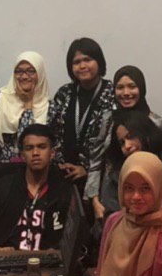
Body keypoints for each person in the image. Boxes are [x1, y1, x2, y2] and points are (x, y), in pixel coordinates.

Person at [0, 124, 77, 252]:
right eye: (29, 148)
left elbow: (76, 234)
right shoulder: (2, 187)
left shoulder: (64, 191)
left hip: (47, 261)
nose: (35, 153)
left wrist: (59, 251)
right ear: (22, 155)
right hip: (6, 260)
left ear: (52, 153)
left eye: (42, 147)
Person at [48, 38, 116, 200]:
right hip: (63, 175)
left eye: (88, 59)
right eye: (77, 62)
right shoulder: (64, 93)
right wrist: (61, 165)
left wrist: (86, 169)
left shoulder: (112, 93)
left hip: (98, 181)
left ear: (99, 62)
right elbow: (52, 132)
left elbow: (112, 141)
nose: (82, 66)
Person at [96, 110, 162, 227]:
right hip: (128, 232)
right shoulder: (118, 173)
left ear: (145, 133)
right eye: (122, 142)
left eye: (131, 137)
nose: (127, 146)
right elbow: (112, 216)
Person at [0, 52, 50, 167]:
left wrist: (28, 105)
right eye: (19, 71)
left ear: (40, 73)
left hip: (36, 172)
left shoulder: (49, 107)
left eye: (31, 71)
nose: (24, 76)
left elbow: (26, 142)